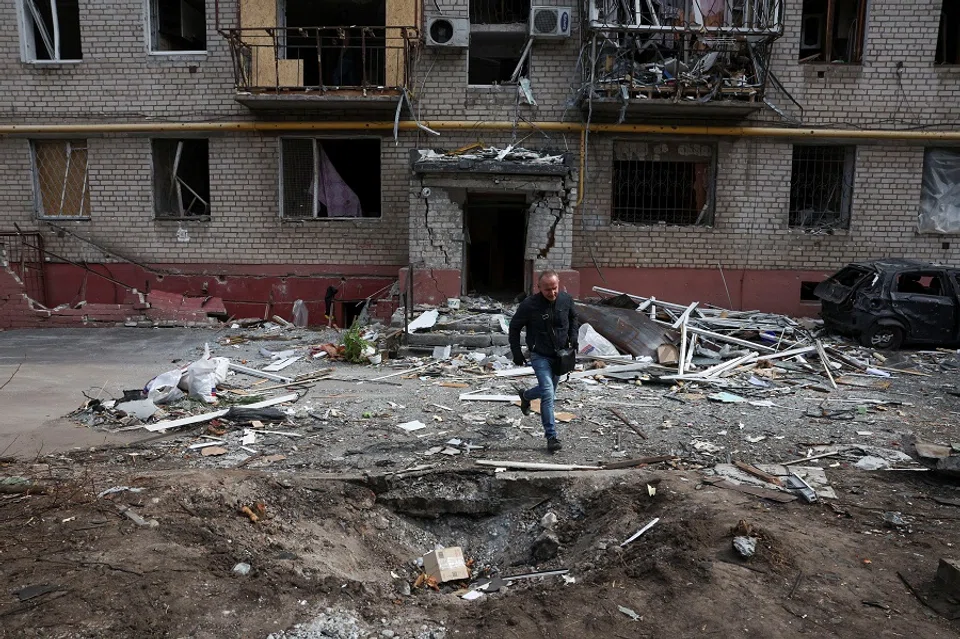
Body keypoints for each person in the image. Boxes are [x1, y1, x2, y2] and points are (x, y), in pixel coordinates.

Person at [508, 270, 579, 453]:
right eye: (547, 289)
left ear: (559, 285)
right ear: (539, 288)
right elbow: (514, 327)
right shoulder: (529, 305)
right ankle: (551, 437)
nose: (552, 293)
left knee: (549, 391)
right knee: (548, 393)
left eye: (554, 288)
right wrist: (516, 351)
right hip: (540, 355)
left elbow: (574, 318)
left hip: (560, 356)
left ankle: (525, 396)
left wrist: (573, 338)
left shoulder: (566, 300)